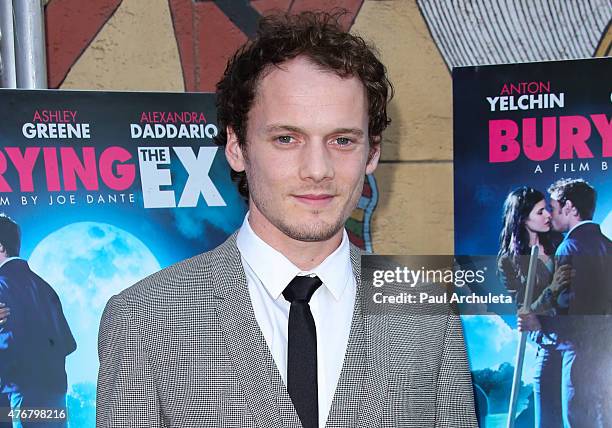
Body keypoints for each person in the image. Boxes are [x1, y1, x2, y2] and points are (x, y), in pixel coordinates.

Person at [96, 11, 477, 428]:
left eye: (342, 140)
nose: (317, 169)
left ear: (372, 153)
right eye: (286, 139)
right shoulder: (145, 317)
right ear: (237, 146)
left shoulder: (423, 306)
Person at [496, 187, 571, 427]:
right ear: (523, 219)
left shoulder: (561, 243)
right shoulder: (508, 261)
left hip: (576, 338)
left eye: (547, 209)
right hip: (548, 343)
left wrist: (541, 308)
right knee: (547, 420)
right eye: (540, 212)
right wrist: (553, 290)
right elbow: (527, 313)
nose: (548, 215)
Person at [547, 178, 612, 427]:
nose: (551, 215)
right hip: (606, 351)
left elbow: (564, 304)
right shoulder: (609, 246)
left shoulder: (568, 247)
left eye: (554, 207)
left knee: (577, 419)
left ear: (570, 208)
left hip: (579, 352)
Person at [0, 214, 76, 428]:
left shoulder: (2, 286)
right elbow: (68, 344)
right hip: (56, 396)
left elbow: (6, 349)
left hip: (20, 396)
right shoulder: (45, 286)